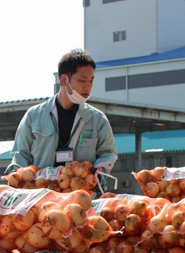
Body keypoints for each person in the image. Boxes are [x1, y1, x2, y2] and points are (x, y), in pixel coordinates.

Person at [7, 49, 118, 189]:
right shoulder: (34, 116)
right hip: (40, 197)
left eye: (91, 81)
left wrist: (98, 173)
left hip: (79, 198)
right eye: (82, 80)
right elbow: (21, 154)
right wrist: (19, 179)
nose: (88, 87)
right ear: (64, 80)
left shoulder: (97, 119)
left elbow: (107, 153)